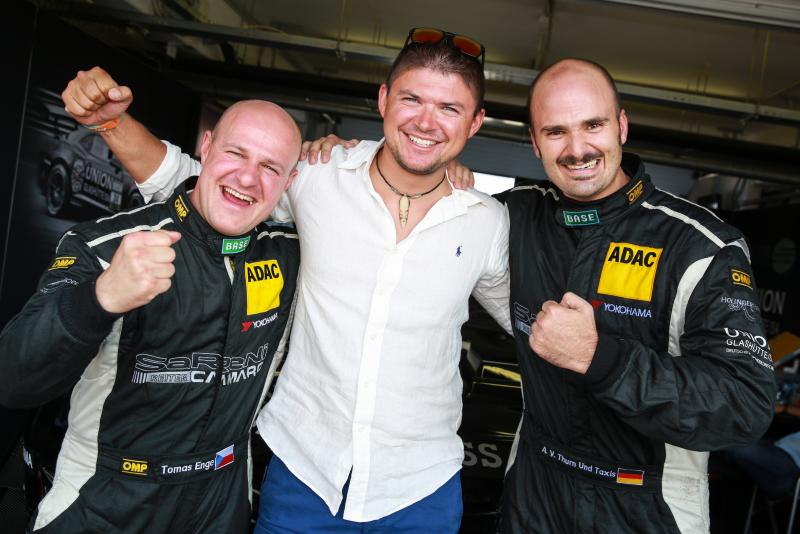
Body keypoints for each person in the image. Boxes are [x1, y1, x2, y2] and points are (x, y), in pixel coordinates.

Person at [61, 28, 510, 533]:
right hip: (304, 474)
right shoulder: (316, 173)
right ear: (384, 99)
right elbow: (197, 183)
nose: (426, 122)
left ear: (475, 123)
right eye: (412, 99)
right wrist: (111, 122)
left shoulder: (487, 222)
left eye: (449, 108)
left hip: (421, 489)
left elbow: (527, 321)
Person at [499, 58, 776, 533]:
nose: (577, 149)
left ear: (621, 126)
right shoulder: (514, 217)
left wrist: (600, 358)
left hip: (647, 505)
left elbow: (745, 405)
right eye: (556, 131)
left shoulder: (699, 246)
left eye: (593, 125)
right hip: (535, 493)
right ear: (534, 141)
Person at [0, 99, 303, 533]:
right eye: (236, 153)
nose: (247, 178)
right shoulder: (106, 245)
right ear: (206, 147)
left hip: (220, 504)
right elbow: (13, 378)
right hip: (107, 498)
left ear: (289, 181)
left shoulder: (292, 253)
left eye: (270, 167)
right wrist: (100, 298)